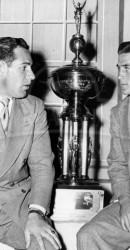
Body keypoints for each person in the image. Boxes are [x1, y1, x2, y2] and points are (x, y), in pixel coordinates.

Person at [0, 37, 62, 250]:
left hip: (17, 207)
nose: (32, 76)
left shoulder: (34, 107)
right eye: (24, 67)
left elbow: (43, 166)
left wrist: (36, 213)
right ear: (1, 68)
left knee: (46, 245)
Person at [77, 41, 130, 250]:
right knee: (88, 235)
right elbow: (117, 165)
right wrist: (126, 201)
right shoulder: (119, 112)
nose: (120, 76)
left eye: (127, 68)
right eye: (119, 68)